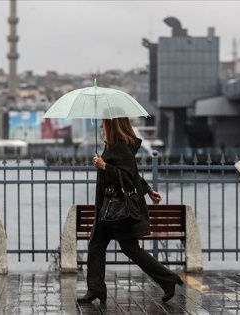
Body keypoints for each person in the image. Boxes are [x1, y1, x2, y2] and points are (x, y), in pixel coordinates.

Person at [77, 117, 184, 304]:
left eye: (104, 122)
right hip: (108, 210)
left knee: (130, 249)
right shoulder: (112, 146)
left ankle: (168, 279)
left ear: (112, 124)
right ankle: (95, 289)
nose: (101, 125)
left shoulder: (121, 148)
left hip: (118, 210)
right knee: (96, 245)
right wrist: (149, 190)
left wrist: (105, 167)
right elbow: (133, 174)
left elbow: (127, 176)